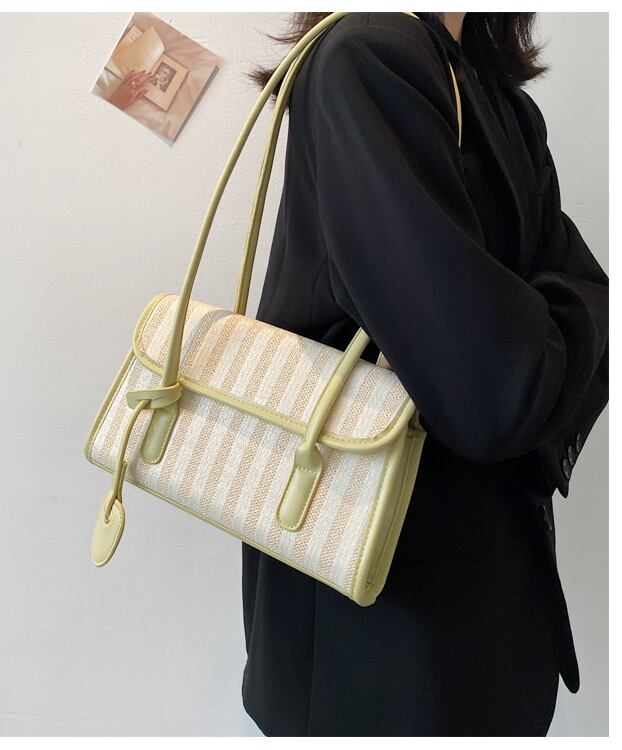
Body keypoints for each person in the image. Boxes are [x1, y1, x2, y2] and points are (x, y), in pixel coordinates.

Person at [239, 11, 609, 737]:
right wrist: (536, 327)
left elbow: (581, 307)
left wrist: (525, 333)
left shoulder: (499, 98)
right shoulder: (368, 55)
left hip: (470, 587)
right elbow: (495, 389)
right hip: (379, 612)